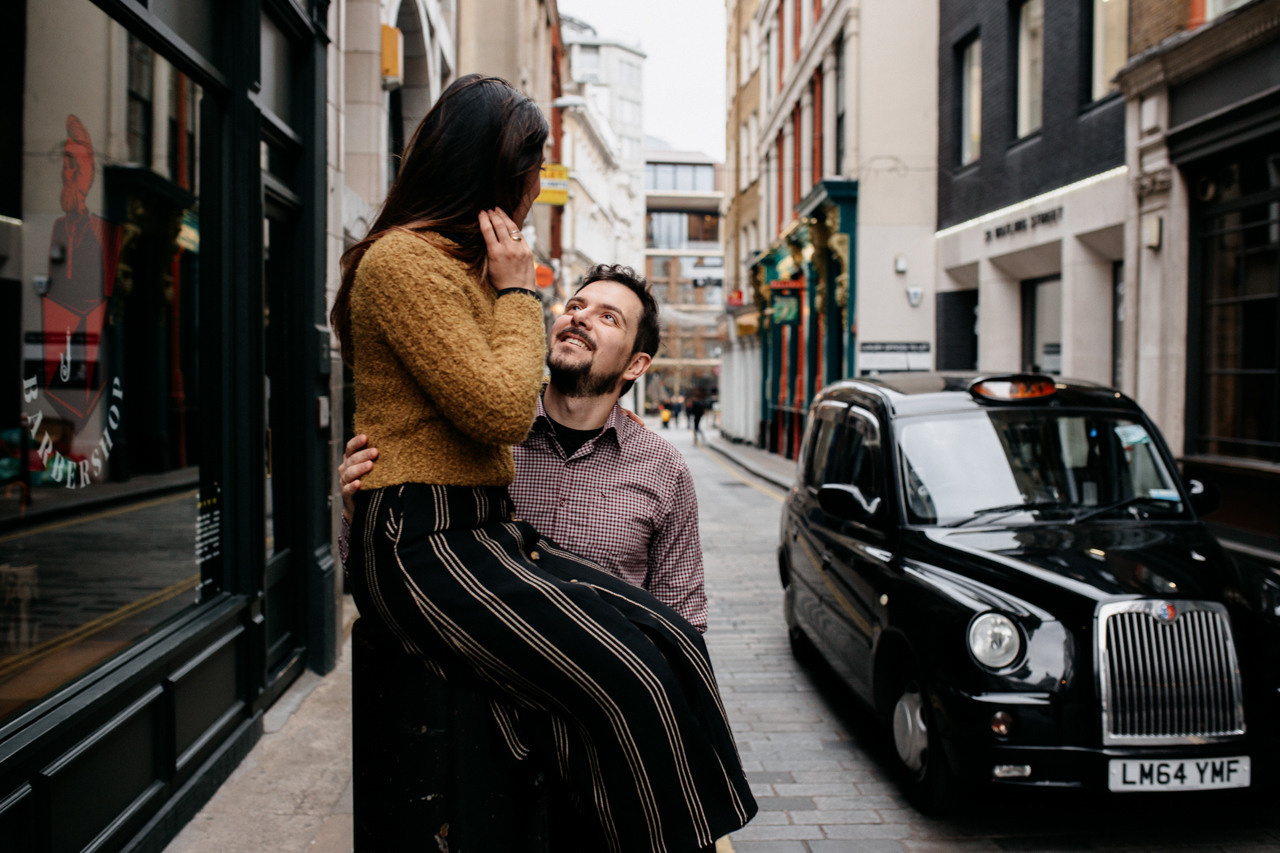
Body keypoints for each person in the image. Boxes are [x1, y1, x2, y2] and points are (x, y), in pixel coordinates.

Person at [330, 74, 754, 852]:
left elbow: (453, 404)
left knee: (667, 638)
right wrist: (522, 292)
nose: (533, 200)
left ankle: (685, 830)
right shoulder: (404, 264)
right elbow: (496, 408)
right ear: (490, 174)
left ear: (639, 363)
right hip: (427, 542)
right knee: (629, 675)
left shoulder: (456, 271)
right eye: (530, 176)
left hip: (474, 531)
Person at [341, 264, 710, 631]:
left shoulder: (664, 467)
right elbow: (391, 577)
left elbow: (681, 620)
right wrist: (361, 515)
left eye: (608, 318)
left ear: (635, 364)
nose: (579, 318)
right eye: (574, 306)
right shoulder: (472, 434)